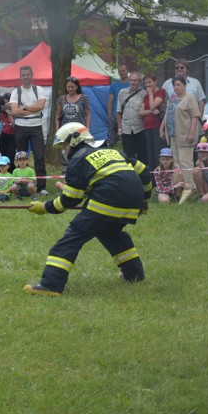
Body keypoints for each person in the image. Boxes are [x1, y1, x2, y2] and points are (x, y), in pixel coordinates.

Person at [24, 122, 151, 297]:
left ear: (74, 141)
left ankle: (51, 285)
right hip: (132, 200)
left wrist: (44, 207)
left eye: (64, 145)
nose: (64, 150)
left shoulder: (78, 161)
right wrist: (144, 199)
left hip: (107, 199)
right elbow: (144, 172)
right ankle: (134, 275)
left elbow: (69, 200)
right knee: (111, 233)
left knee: (71, 239)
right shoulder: (113, 152)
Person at [160, 76, 200, 205]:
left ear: (184, 85)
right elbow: (167, 113)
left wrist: (192, 133)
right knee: (176, 163)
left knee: (185, 162)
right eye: (174, 85)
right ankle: (178, 188)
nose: (176, 87)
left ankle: (190, 187)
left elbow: (195, 116)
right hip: (173, 135)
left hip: (185, 134)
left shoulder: (190, 98)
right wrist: (162, 128)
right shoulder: (172, 98)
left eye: (178, 85)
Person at [10, 66, 48, 195]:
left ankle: (42, 187)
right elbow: (15, 111)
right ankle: (20, 185)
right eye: (23, 75)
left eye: (27, 74)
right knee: (21, 157)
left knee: (39, 156)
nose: (26, 77)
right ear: (20, 76)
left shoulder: (39, 90)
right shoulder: (16, 92)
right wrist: (33, 108)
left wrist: (24, 108)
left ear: (31, 75)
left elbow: (41, 106)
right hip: (21, 127)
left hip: (36, 126)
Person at [55, 76, 91, 173]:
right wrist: (57, 130)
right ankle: (65, 178)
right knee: (65, 156)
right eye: (68, 87)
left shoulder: (84, 98)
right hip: (65, 132)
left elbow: (88, 114)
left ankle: (79, 177)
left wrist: (87, 129)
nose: (70, 89)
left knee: (79, 155)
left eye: (72, 87)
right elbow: (57, 116)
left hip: (79, 132)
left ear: (77, 87)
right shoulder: (62, 99)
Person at [116, 71, 148, 166]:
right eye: (131, 80)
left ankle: (143, 178)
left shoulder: (144, 94)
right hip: (126, 129)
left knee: (142, 156)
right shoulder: (122, 93)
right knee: (128, 157)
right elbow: (118, 112)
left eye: (135, 80)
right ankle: (131, 177)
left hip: (140, 129)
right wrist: (119, 129)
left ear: (140, 82)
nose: (133, 82)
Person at [138, 73, 167, 173]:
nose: (148, 85)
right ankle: (153, 180)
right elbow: (141, 112)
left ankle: (162, 176)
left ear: (155, 82)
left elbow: (153, 105)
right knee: (150, 154)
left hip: (157, 126)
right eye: (145, 83)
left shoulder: (161, 92)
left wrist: (150, 94)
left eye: (150, 82)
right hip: (147, 127)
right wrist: (151, 111)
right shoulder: (145, 97)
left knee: (157, 153)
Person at [107, 64, 130, 146]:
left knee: (126, 140)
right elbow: (110, 101)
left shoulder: (132, 83)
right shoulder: (114, 85)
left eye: (123, 71)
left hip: (128, 116)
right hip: (115, 115)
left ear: (127, 71)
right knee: (112, 141)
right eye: (120, 71)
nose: (122, 73)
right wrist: (110, 117)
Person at [0, 93, 15, 173]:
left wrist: (10, 114)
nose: (6, 104)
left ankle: (11, 173)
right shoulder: (2, 114)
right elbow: (1, 127)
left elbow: (15, 126)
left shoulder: (15, 112)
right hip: (3, 136)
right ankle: (3, 174)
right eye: (4, 103)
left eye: (7, 102)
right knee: (3, 157)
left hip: (12, 136)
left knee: (10, 157)